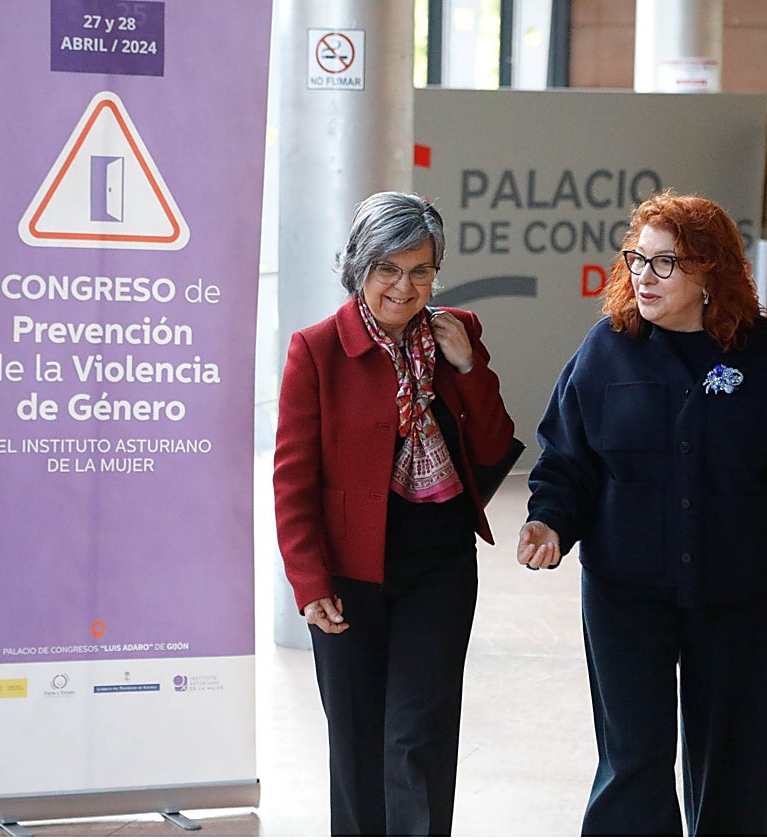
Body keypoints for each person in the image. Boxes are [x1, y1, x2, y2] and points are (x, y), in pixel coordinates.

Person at [517, 189, 767, 836]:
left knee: (732, 761)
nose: (643, 275)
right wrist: (550, 519)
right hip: (624, 593)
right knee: (633, 759)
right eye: (636, 259)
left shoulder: (761, 356)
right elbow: (567, 457)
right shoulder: (604, 349)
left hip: (735, 594)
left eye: (664, 262)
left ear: (707, 271)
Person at [273, 191, 515, 836]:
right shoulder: (317, 350)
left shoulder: (456, 332)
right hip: (350, 573)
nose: (404, 287)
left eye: (421, 270)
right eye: (388, 269)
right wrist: (308, 582)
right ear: (358, 267)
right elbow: (292, 481)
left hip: (438, 561)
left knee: (420, 735)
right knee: (355, 740)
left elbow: (495, 445)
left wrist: (469, 366)